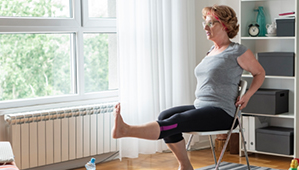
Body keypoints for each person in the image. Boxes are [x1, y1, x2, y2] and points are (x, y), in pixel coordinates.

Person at [112, 4, 265, 170]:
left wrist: (247, 95)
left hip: (223, 113)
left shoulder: (238, 51)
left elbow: (259, 73)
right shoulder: (211, 51)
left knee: (176, 122)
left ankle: (126, 130)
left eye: (211, 23)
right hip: (201, 107)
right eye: (204, 23)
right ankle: (185, 165)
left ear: (225, 26)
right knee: (165, 115)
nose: (206, 27)